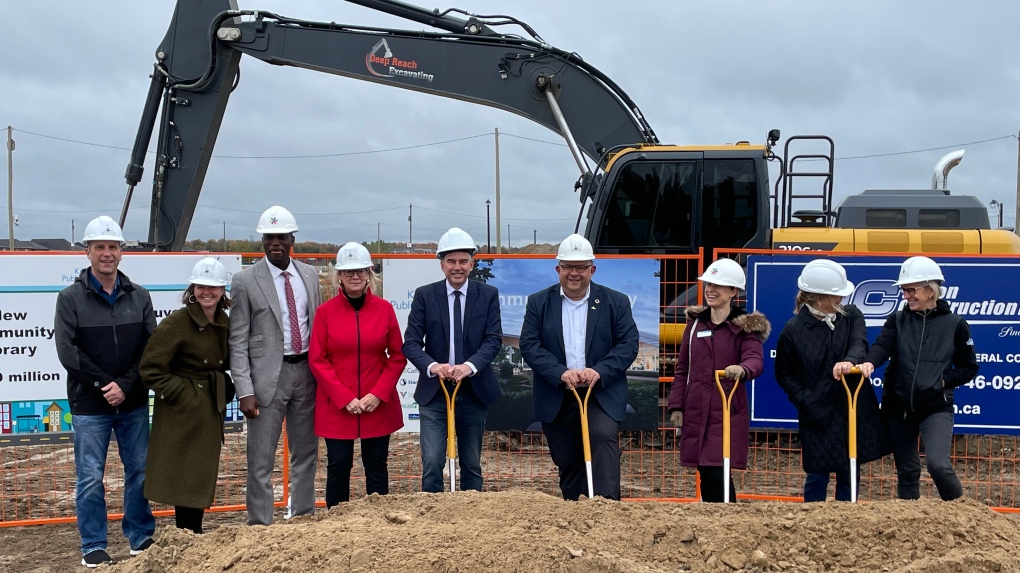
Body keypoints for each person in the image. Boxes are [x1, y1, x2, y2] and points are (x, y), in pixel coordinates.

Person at [53, 215, 156, 567]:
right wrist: (103, 385)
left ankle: (140, 536)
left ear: (122, 252)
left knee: (140, 470)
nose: (107, 253)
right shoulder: (69, 299)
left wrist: (125, 385)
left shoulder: (139, 296)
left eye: (113, 247)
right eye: (100, 247)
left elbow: (149, 349)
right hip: (89, 406)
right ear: (87, 252)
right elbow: (69, 353)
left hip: (133, 403)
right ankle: (93, 544)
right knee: (90, 478)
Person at [519, 234, 639, 501]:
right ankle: (573, 511)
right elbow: (530, 345)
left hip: (601, 393)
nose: (574, 273)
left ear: (592, 270)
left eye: (581, 267)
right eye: (568, 267)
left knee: (602, 438)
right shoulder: (538, 302)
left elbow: (628, 344)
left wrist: (601, 370)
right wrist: (560, 372)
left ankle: (606, 507)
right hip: (559, 393)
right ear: (558, 269)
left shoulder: (615, 302)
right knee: (568, 458)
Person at [228, 206, 321, 525]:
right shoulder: (244, 281)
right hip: (267, 379)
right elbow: (237, 340)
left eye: (281, 237)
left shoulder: (309, 275)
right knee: (260, 459)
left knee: (306, 453)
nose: (275, 243)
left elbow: (316, 326)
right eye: (269, 238)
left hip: (306, 373)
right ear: (263, 240)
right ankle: (260, 525)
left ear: (292, 238)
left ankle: (303, 515)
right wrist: (244, 391)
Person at [860, 256, 978, 501]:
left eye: (911, 290)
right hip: (897, 408)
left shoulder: (955, 324)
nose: (906, 295)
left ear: (930, 289)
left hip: (935, 407)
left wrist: (943, 381)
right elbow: (883, 345)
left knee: (938, 465)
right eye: (904, 290)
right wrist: (870, 361)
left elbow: (969, 367)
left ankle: (961, 513)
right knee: (907, 471)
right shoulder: (897, 320)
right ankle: (909, 524)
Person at [774, 260, 888, 502]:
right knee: (817, 474)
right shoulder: (793, 329)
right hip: (816, 413)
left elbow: (860, 343)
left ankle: (848, 526)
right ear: (817, 297)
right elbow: (783, 372)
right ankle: (810, 525)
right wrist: (804, 400)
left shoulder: (852, 316)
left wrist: (849, 360)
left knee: (850, 471)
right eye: (836, 296)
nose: (841, 300)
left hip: (851, 405)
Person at [402, 228, 503, 492]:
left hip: (473, 391)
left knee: (471, 463)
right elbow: (411, 343)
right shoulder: (425, 295)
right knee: (433, 460)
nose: (457, 267)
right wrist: (433, 366)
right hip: (435, 392)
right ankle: (432, 518)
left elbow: (493, 339)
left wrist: (469, 367)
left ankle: (472, 518)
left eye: (462, 261)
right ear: (442, 265)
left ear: (471, 263)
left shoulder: (488, 294)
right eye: (451, 262)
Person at [139, 257, 234, 533]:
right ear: (192, 289)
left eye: (213, 287)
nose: (207, 292)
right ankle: (188, 534)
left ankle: (193, 532)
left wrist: (228, 386)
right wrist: (182, 393)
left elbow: (225, 359)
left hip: (208, 409)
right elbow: (150, 368)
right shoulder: (178, 322)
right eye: (201, 286)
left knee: (200, 472)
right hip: (183, 411)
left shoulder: (223, 321)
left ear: (222, 291)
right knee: (185, 474)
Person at [310, 243, 405, 506]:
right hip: (338, 405)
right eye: (348, 271)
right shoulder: (325, 313)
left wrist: (378, 394)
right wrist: (344, 397)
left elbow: (397, 356)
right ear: (338, 275)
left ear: (369, 273)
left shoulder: (384, 309)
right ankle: (336, 523)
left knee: (376, 466)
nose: (355, 276)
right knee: (339, 466)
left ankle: (378, 523)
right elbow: (318, 359)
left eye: (361, 271)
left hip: (377, 403)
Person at [666, 258, 769, 503]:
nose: (710, 290)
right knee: (705, 468)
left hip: (725, 409)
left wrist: (741, 369)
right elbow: (683, 369)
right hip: (696, 408)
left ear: (733, 291)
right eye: (708, 284)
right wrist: (676, 405)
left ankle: (725, 518)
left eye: (718, 285)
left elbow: (755, 360)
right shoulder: (694, 325)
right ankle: (715, 520)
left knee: (716, 467)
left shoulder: (745, 328)